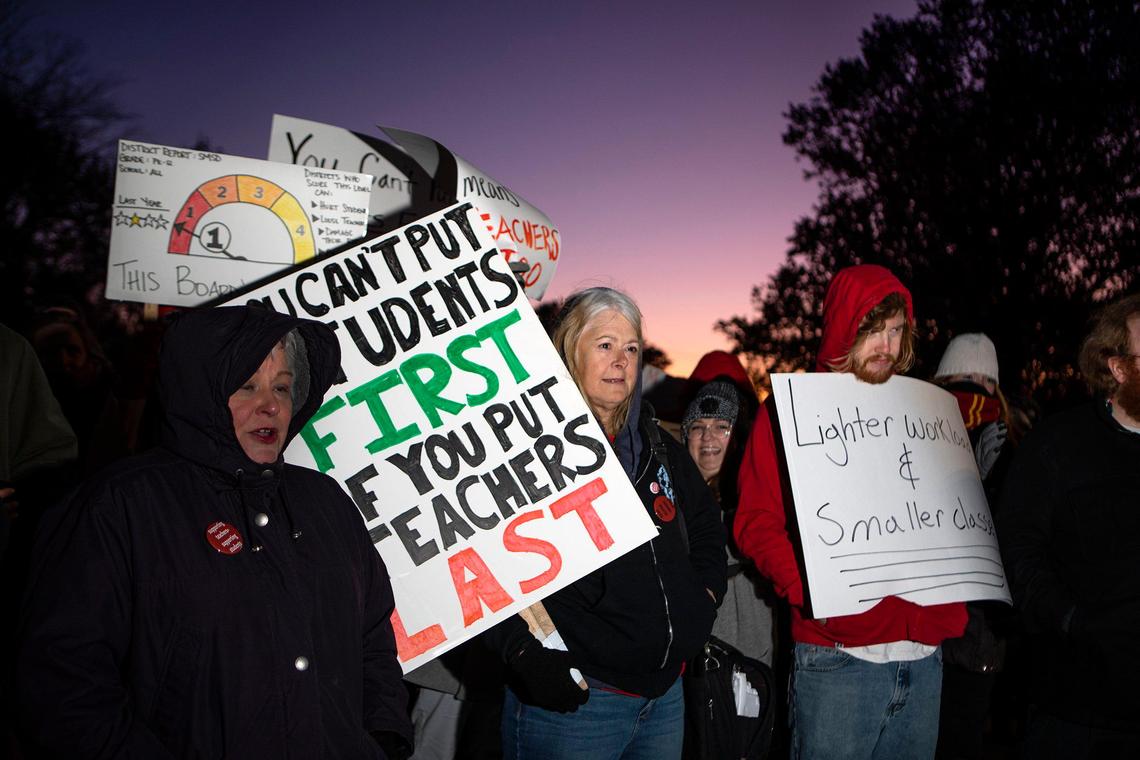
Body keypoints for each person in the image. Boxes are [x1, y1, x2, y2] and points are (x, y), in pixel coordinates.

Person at [16, 306, 412, 759]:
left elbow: (374, 642)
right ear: (199, 390)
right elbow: (62, 683)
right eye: (247, 386)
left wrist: (381, 741)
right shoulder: (119, 506)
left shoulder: (325, 503)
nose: (271, 404)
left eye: (282, 386)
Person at [734, 264, 967, 760]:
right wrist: (810, 591)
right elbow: (755, 523)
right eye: (871, 329)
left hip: (925, 658)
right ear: (843, 327)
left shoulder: (923, 413)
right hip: (838, 659)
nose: (885, 344)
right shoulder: (789, 413)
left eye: (895, 330)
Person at [486, 286, 726, 759]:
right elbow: (474, 562)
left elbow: (705, 529)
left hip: (664, 700)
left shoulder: (658, 447)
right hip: (578, 705)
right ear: (570, 353)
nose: (621, 360)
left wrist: (704, 599)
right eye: (605, 345)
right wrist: (519, 652)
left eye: (631, 348)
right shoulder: (523, 449)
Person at [999, 292, 1140, 757]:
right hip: (1077, 710)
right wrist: (1072, 622)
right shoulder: (1058, 445)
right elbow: (1018, 551)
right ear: (1118, 369)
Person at [931, 333, 1017, 760]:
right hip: (926, 626)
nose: (975, 388)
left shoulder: (1013, 443)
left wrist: (988, 482)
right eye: (964, 376)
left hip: (981, 629)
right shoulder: (920, 436)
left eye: (985, 380)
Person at [682, 380, 774, 666]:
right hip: (689, 658)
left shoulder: (760, 499)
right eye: (697, 427)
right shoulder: (669, 500)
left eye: (722, 426)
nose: (707, 437)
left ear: (739, 437)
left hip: (750, 653)